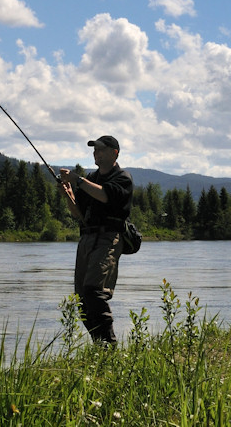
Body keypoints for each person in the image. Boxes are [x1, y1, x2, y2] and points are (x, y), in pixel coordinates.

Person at [58, 135, 134, 343]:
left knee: (94, 292)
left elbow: (105, 196)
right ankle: (99, 344)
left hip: (108, 238)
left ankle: (108, 345)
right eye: (94, 149)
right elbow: (79, 214)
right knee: (81, 298)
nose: (95, 153)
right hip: (86, 239)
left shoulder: (122, 178)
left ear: (114, 153)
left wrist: (78, 180)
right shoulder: (91, 179)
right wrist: (68, 194)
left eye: (100, 149)